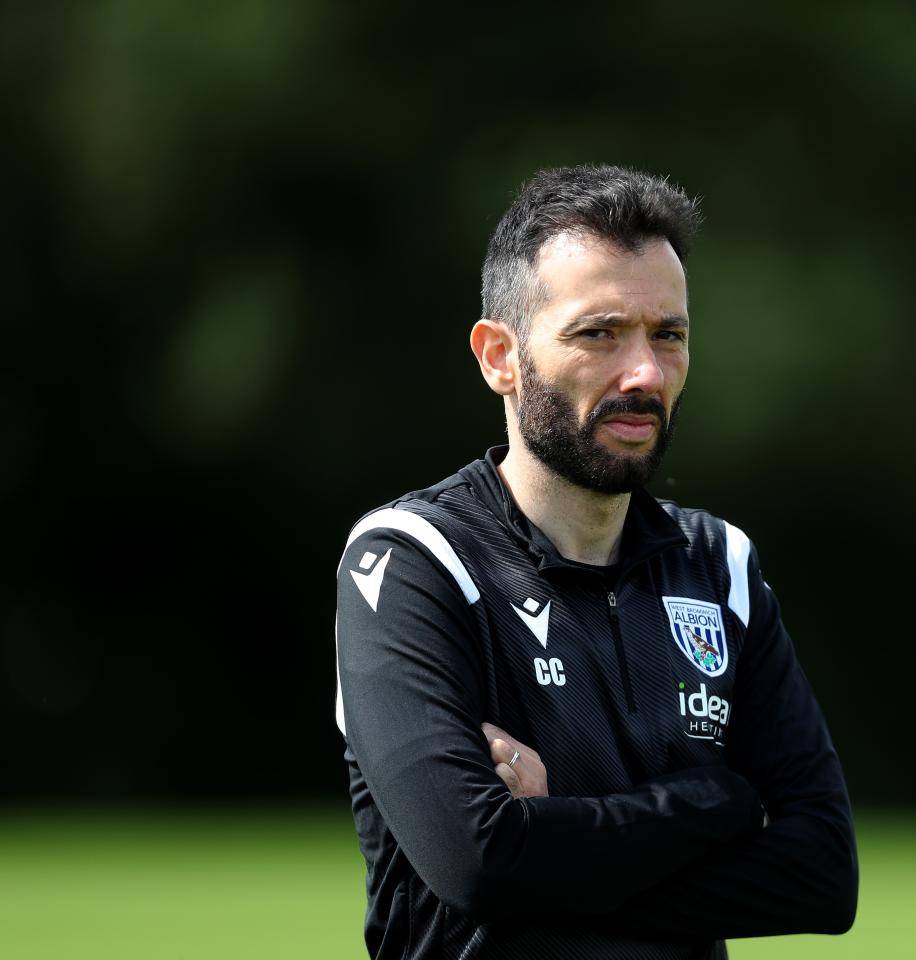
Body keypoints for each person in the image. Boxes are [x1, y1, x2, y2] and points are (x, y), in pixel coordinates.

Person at [334, 164, 857, 959]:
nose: (644, 374)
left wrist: (553, 844)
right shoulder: (415, 561)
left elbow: (821, 875)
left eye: (668, 335)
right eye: (599, 333)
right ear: (499, 356)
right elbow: (477, 864)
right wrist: (710, 802)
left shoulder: (719, 565)